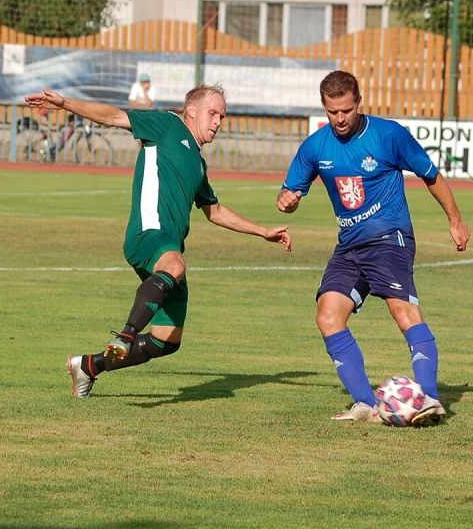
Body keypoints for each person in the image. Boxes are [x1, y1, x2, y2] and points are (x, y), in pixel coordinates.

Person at [24, 84, 292, 398]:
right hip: (148, 234)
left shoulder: (198, 162)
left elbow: (215, 211)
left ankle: (89, 366)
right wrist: (66, 102)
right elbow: (112, 117)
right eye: (213, 113)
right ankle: (125, 333)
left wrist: (263, 231)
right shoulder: (166, 125)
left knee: (166, 340)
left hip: (167, 250)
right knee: (176, 264)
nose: (218, 121)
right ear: (191, 110)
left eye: (222, 116)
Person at [276, 70, 470, 426]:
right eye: (333, 111)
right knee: (328, 316)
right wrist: (287, 200)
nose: (340, 118)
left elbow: (430, 175)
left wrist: (455, 219)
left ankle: (429, 399)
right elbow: (289, 192)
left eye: (347, 110)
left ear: (359, 102)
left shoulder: (388, 135)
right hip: (349, 246)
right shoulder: (316, 146)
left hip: (389, 238)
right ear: (324, 107)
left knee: (403, 312)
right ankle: (366, 404)